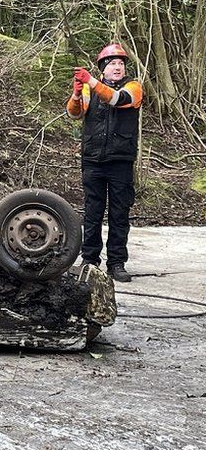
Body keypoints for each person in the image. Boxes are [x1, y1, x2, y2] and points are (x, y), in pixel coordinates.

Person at [66, 43, 143, 283]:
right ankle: (90, 260)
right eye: (112, 64)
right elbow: (74, 113)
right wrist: (78, 93)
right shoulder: (91, 89)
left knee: (119, 213)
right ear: (103, 69)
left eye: (121, 63)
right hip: (93, 160)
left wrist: (90, 82)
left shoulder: (134, 87)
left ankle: (117, 263)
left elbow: (117, 100)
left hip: (120, 161)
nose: (118, 67)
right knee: (92, 212)